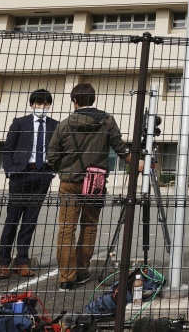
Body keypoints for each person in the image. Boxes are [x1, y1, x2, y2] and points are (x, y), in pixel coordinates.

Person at [48, 83, 134, 291]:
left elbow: (51, 156)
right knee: (90, 225)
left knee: (67, 228)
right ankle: (82, 270)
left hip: (69, 182)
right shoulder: (107, 121)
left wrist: (66, 168)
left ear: (75, 101)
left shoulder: (65, 124)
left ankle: (66, 278)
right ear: (93, 100)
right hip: (95, 180)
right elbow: (121, 150)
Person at [0, 89, 58, 279]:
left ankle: (22, 261)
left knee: (30, 221)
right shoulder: (20, 123)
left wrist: (51, 171)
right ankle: (3, 262)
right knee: (12, 219)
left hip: (42, 175)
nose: (42, 107)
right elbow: (7, 150)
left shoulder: (56, 125)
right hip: (20, 174)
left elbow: (59, 150)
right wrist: (11, 171)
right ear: (32, 105)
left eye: (45, 104)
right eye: (38, 104)